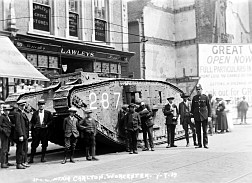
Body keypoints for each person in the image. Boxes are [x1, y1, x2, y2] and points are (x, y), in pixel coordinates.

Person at [29, 99, 53, 163]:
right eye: (40, 105)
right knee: (34, 145)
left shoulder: (48, 113)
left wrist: (47, 125)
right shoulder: (35, 113)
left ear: (44, 105)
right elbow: (32, 121)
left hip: (44, 131)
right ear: (38, 106)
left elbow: (51, 121)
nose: (41, 106)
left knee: (44, 145)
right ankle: (31, 158)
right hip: (37, 131)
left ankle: (43, 158)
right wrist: (34, 126)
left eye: (42, 104)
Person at [191, 84, 211, 149]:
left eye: (199, 89)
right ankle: (199, 144)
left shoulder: (205, 97)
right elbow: (192, 108)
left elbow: (209, 107)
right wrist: (192, 117)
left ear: (202, 90)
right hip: (197, 116)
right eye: (197, 90)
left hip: (204, 116)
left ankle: (205, 144)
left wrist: (209, 116)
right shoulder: (194, 98)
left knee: (205, 131)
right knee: (198, 131)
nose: (198, 91)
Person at [13, 100, 30, 169]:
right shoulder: (17, 113)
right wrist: (20, 135)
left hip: (24, 134)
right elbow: (18, 125)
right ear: (19, 106)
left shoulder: (22, 113)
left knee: (23, 149)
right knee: (20, 150)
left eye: (23, 105)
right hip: (21, 135)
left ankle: (22, 162)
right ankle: (18, 163)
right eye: (21, 106)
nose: (23, 107)